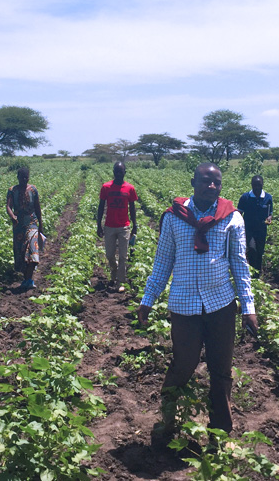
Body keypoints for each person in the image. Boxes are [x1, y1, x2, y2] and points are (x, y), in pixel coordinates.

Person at [137, 163, 258, 446]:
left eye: (217, 182)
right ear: (193, 182)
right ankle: (167, 422)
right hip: (184, 306)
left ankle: (220, 433)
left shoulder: (232, 218)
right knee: (183, 364)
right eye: (206, 181)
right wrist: (147, 300)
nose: (211, 186)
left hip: (221, 305)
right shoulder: (174, 217)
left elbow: (240, 265)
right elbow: (162, 262)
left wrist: (248, 308)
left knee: (221, 370)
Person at [97, 161, 138, 292]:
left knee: (123, 256)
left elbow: (132, 208)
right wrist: (98, 224)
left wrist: (135, 224)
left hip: (124, 226)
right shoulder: (106, 187)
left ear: (124, 173)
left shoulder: (130, 188)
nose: (119, 174)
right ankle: (114, 272)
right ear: (113, 172)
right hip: (109, 226)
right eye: (116, 171)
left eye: (121, 172)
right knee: (109, 255)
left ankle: (120, 282)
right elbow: (101, 206)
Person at [6, 166, 44, 291]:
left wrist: (41, 224)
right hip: (18, 226)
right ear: (17, 178)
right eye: (21, 177)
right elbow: (8, 206)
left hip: (32, 223)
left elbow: (37, 207)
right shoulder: (12, 190)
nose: (24, 180)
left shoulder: (33, 190)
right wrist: (12, 216)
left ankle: (29, 279)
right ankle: (26, 279)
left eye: (26, 177)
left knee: (33, 249)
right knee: (21, 252)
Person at [237, 175, 273, 271]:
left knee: (260, 252)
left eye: (259, 185)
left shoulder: (268, 198)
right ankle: (252, 271)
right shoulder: (245, 197)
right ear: (251, 185)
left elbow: (270, 213)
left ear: (262, 184)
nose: (257, 187)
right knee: (252, 249)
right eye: (255, 185)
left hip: (261, 229)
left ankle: (257, 273)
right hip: (248, 229)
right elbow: (239, 213)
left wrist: (269, 218)